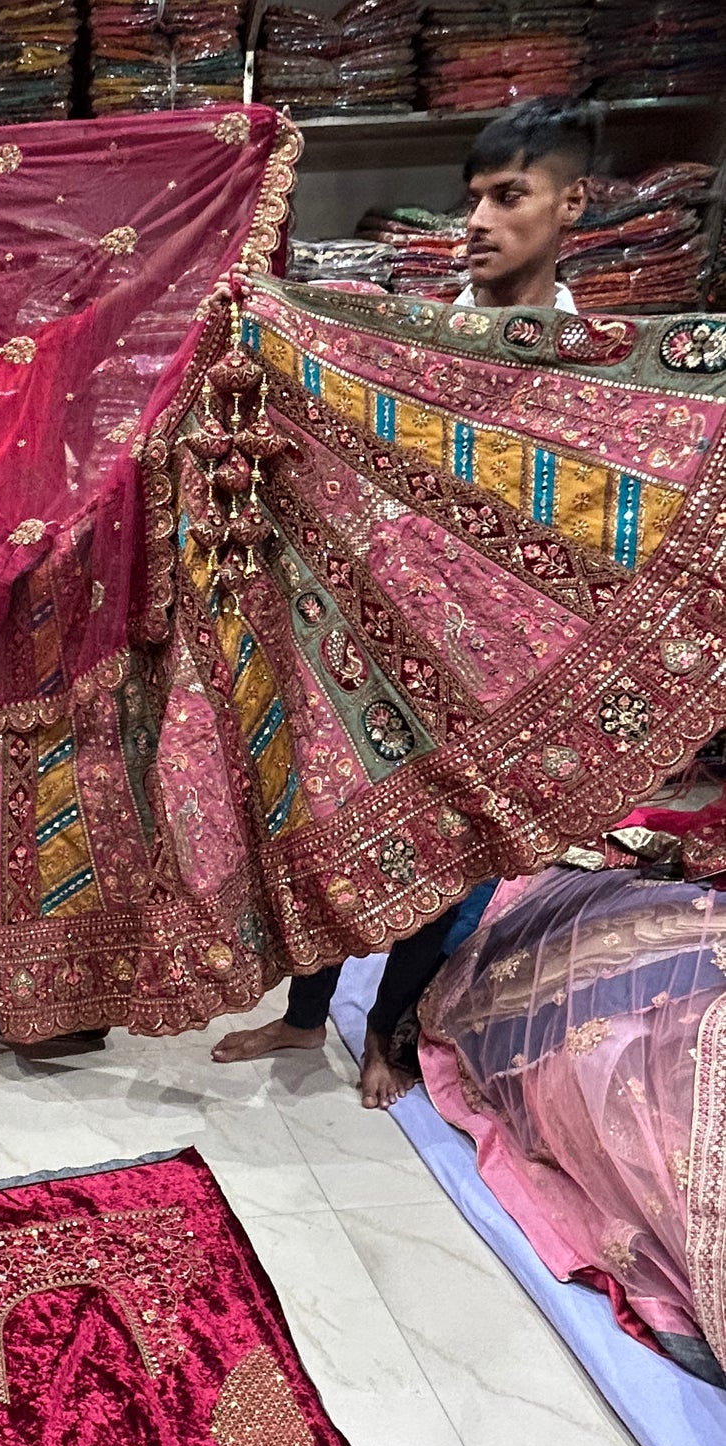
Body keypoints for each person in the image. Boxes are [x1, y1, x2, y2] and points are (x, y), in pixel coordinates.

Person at [212, 97, 594, 1105]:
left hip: (507, 660)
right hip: (375, 631)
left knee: (456, 848)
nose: (474, 221)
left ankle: (386, 1031)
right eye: (469, 198)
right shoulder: (414, 346)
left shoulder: (599, 372)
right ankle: (302, 1022)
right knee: (327, 816)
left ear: (569, 207)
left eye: (508, 197)